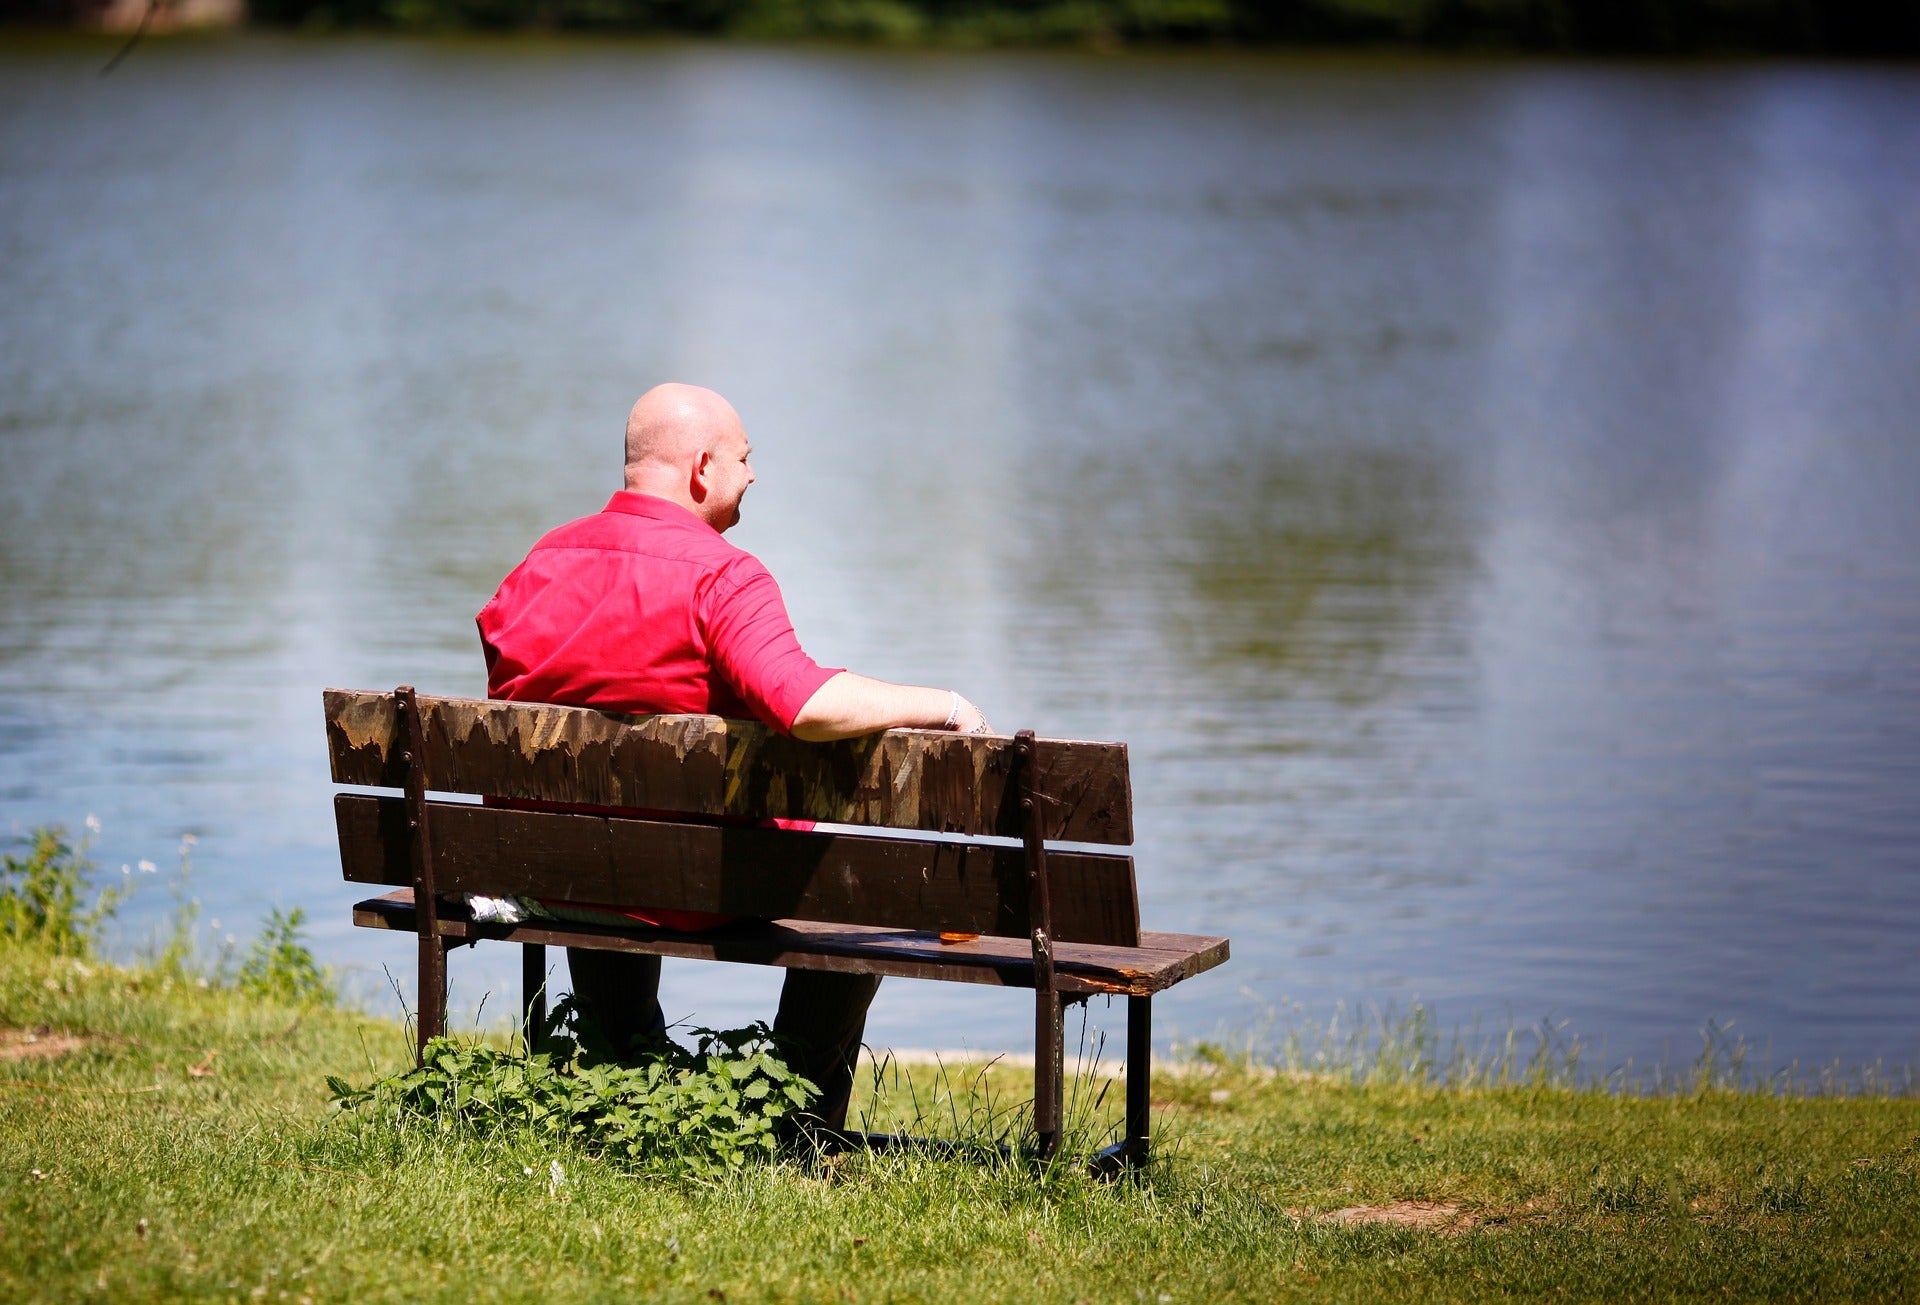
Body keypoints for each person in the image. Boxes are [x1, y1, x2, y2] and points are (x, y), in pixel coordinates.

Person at [476, 382, 991, 1130]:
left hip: (553, 870)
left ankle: (627, 1087)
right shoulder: (722, 575)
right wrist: (945, 704)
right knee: (867, 888)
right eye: (745, 459)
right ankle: (794, 1120)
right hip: (699, 885)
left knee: (606, 844)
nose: (752, 475)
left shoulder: (540, 563)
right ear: (701, 468)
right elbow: (803, 704)